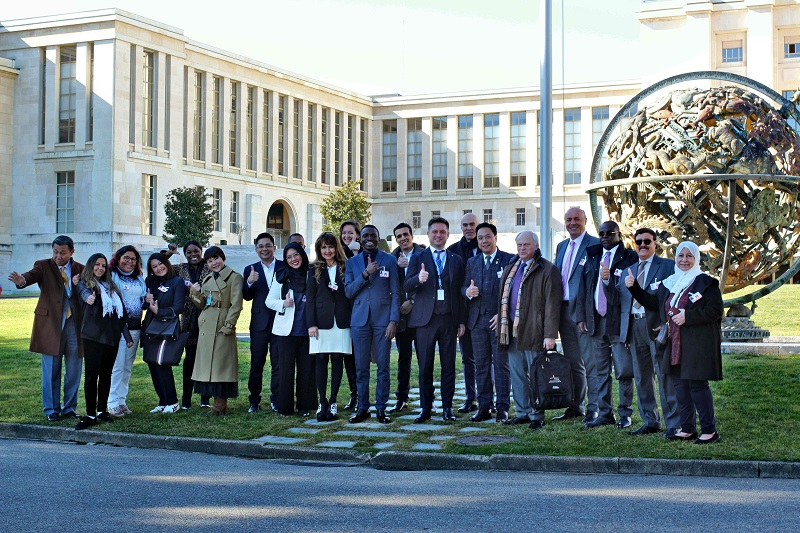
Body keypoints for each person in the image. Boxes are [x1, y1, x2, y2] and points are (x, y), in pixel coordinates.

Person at [627, 241, 723, 444]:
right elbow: (653, 303)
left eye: (689, 256)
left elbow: (715, 311)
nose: (684, 260)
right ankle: (687, 428)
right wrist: (634, 287)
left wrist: (688, 316)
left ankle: (709, 430)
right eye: (680, 256)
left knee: (697, 386)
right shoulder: (670, 282)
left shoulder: (706, 283)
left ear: (696, 258)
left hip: (696, 344)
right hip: (675, 343)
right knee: (680, 387)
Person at [605, 228, 678, 437]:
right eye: (639, 242)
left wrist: (667, 323)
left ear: (655, 243)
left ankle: (673, 423)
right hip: (634, 327)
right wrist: (606, 281)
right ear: (634, 245)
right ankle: (651, 421)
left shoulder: (667, 266)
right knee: (642, 376)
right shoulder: (629, 270)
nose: (643, 245)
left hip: (656, 326)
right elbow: (617, 300)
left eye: (647, 241)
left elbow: (672, 297)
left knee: (664, 375)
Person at [8, 235, 85, 421]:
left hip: (74, 325)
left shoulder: (81, 269)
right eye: (55, 252)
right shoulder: (43, 265)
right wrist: (21, 281)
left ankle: (69, 409)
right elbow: (30, 276)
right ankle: (51, 410)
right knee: (51, 368)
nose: (58, 256)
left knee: (74, 369)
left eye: (63, 253)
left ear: (72, 252)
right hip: (51, 325)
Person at [575, 220, 638, 428]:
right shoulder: (592, 255)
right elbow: (583, 289)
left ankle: (625, 414)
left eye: (609, 233)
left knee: (623, 370)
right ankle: (604, 413)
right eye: (601, 233)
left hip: (618, 322)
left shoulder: (630, 257)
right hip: (595, 320)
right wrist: (582, 317)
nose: (604, 237)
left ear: (619, 234)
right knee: (600, 370)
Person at [496, 231, 562, 429]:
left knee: (536, 375)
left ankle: (537, 414)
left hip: (534, 330)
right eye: (519, 245)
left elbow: (552, 304)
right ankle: (522, 412)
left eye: (526, 245)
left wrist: (550, 335)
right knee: (516, 373)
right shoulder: (511, 267)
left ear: (535, 245)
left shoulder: (547, 269)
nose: (522, 248)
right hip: (511, 331)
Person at [404, 217, 466, 423]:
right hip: (425, 321)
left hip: (448, 319)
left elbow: (459, 292)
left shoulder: (456, 259)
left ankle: (447, 407)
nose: (438, 235)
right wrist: (417, 279)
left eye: (442, 232)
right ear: (428, 234)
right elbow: (406, 285)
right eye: (435, 232)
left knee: (448, 365)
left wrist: (461, 321)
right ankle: (426, 408)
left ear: (448, 235)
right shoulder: (418, 257)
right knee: (425, 366)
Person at [345, 225, 400, 424]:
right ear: (360, 239)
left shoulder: (390, 260)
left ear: (378, 238)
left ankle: (381, 408)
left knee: (383, 367)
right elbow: (349, 291)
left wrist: (394, 320)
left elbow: (396, 293)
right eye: (366, 236)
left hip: (383, 321)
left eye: (373, 236)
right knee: (361, 368)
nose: (370, 239)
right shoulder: (352, 263)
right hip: (359, 321)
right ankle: (363, 408)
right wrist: (365, 274)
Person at [462, 222, 514, 422]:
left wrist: (503, 314)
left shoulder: (508, 260)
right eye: (480, 237)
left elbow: (515, 292)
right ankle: (484, 407)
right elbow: (462, 287)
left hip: (498, 321)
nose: (484, 241)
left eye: (487, 237)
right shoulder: (472, 262)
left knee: (501, 365)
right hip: (476, 321)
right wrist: (467, 292)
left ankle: (502, 407)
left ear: (495, 237)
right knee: (481, 366)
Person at [75, 253, 133, 430]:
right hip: (93, 336)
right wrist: (89, 298)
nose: (100, 268)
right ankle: (91, 415)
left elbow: (120, 313)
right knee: (92, 376)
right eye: (97, 265)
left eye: (103, 265)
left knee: (106, 375)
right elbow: (83, 293)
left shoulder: (111, 287)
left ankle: (102, 411)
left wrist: (127, 337)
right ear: (91, 265)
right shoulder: (84, 283)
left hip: (111, 337)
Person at [553, 207, 598, 423]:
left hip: (584, 311)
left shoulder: (595, 245)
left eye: (577, 219)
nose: (573, 223)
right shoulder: (561, 246)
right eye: (569, 219)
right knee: (573, 362)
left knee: (591, 362)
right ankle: (576, 406)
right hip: (563, 309)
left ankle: (595, 408)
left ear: (585, 221)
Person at [189, 247, 244, 415]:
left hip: (222, 323)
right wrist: (194, 292)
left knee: (222, 364)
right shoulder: (207, 278)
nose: (213, 263)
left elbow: (236, 304)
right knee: (208, 364)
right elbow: (202, 303)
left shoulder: (235, 277)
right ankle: (212, 401)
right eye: (209, 261)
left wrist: (229, 325)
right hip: (207, 324)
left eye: (216, 258)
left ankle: (220, 403)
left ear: (223, 258)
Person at [266, 242, 317, 417]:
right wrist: (283, 303)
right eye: (288, 257)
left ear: (302, 254)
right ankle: (285, 408)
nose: (293, 259)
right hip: (285, 332)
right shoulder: (281, 276)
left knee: (306, 370)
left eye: (296, 255)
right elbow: (269, 301)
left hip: (308, 331)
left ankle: (305, 406)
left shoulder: (312, 273)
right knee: (285, 370)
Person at [306, 232, 352, 421]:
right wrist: (311, 324)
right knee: (321, 361)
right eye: (323, 247)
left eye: (330, 247)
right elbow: (310, 299)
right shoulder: (313, 269)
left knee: (337, 360)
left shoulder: (346, 266)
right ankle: (322, 402)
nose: (327, 251)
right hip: (321, 322)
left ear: (336, 248)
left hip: (341, 321)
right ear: (319, 249)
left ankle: (333, 401)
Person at [242, 232, 284, 413]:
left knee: (278, 363)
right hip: (259, 323)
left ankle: (276, 399)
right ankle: (254, 400)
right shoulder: (250, 269)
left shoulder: (284, 267)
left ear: (274, 247)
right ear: (256, 249)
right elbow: (246, 296)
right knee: (256, 364)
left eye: (268, 245)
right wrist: (249, 283)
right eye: (260, 246)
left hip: (280, 321)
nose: (264, 249)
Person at [142, 252, 186, 414]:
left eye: (161, 264)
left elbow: (178, 307)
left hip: (167, 328)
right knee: (152, 363)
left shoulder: (177, 282)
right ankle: (162, 401)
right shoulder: (150, 282)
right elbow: (145, 306)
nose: (159, 268)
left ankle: (173, 402)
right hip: (150, 328)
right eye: (154, 266)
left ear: (167, 264)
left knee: (162, 363)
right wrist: (145, 302)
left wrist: (160, 311)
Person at [107, 245, 147, 417]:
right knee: (117, 366)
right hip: (119, 329)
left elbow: (142, 300)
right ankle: (112, 402)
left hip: (135, 327)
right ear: (118, 258)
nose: (129, 262)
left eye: (133, 259)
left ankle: (122, 401)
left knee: (127, 367)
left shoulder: (139, 278)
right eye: (126, 258)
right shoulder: (111, 276)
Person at [389, 222, 424, 414]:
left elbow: (428, 286)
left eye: (405, 234)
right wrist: (396, 266)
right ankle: (402, 398)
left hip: (420, 316)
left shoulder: (423, 254)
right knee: (403, 359)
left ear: (412, 235)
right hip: (402, 318)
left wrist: (412, 301)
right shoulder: (392, 257)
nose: (403, 238)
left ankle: (428, 399)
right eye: (399, 236)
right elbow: (391, 286)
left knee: (424, 359)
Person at [447, 212, 480, 413]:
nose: (469, 228)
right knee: (468, 359)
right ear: (461, 228)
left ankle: (488, 398)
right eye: (465, 225)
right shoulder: (453, 251)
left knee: (488, 359)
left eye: (472, 224)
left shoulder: (486, 246)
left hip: (484, 313)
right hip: (462, 313)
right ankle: (471, 398)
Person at [174, 241, 211, 409]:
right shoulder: (180, 269)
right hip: (188, 319)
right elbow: (162, 268)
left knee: (205, 360)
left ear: (201, 251)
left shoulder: (209, 267)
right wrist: (170, 254)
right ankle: (186, 399)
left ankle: (205, 398)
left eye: (196, 251)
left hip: (207, 317)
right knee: (189, 360)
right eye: (189, 252)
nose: (193, 254)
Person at [338, 219, 362, 409]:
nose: (347, 236)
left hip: (361, 310)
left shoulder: (364, 254)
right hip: (343, 311)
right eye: (344, 233)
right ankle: (354, 394)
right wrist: (347, 252)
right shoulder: (337, 255)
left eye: (351, 233)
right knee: (348, 355)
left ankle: (363, 394)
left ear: (357, 235)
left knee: (360, 355)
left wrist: (355, 252)